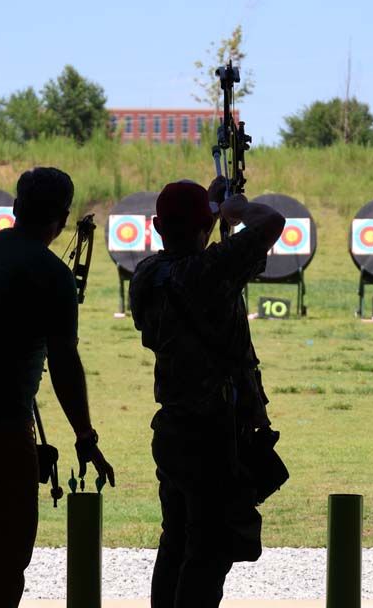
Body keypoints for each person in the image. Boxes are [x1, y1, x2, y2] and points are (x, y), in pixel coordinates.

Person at [0, 167, 115, 608]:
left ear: (15, 208)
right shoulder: (50, 274)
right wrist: (85, 436)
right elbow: (65, 362)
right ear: (63, 219)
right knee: (8, 554)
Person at [130, 178, 285, 608]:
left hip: (173, 430)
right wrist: (234, 209)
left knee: (176, 540)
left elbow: (192, 246)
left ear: (158, 226)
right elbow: (271, 222)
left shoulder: (147, 275)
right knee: (209, 549)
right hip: (213, 434)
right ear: (204, 226)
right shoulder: (209, 271)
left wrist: (212, 210)